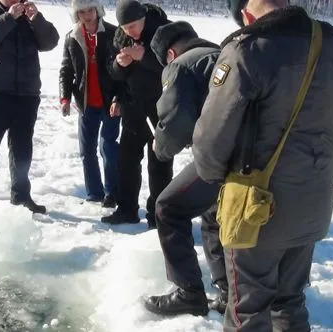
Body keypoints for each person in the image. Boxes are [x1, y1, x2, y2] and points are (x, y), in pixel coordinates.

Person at [192, 1, 333, 330]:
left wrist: (213, 174)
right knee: (290, 302)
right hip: (314, 202)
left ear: (245, 14)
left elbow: (210, 144)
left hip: (257, 210)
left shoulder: (248, 49)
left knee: (248, 309)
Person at [141, 21, 227, 317]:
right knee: (213, 214)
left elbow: (175, 123)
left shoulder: (180, 65)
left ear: (169, 52)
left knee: (167, 207)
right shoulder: (224, 54)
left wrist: (160, 147)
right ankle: (228, 291)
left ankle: (188, 291)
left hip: (222, 158)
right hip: (253, 157)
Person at [0, 0, 59, 217]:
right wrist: (8, 18)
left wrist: (37, 19)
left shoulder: (30, 16)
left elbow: (51, 41)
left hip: (26, 94)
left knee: (22, 150)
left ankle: (22, 196)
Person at [101, 0, 173, 229]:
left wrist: (145, 57)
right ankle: (127, 209)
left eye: (133, 25)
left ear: (143, 17)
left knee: (159, 166)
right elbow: (115, 75)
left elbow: (176, 69)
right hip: (133, 110)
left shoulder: (164, 33)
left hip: (160, 111)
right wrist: (119, 65)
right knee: (127, 163)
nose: (129, 31)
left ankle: (157, 215)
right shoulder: (121, 38)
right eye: (124, 27)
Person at [59, 0, 121, 208]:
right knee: (87, 150)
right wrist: (65, 98)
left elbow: (124, 73)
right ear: (76, 14)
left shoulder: (114, 34)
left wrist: (118, 98)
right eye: (82, 11)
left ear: (98, 10)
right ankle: (94, 193)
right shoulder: (72, 37)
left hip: (110, 102)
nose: (87, 15)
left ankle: (112, 192)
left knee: (108, 147)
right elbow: (66, 71)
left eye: (90, 9)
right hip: (86, 104)